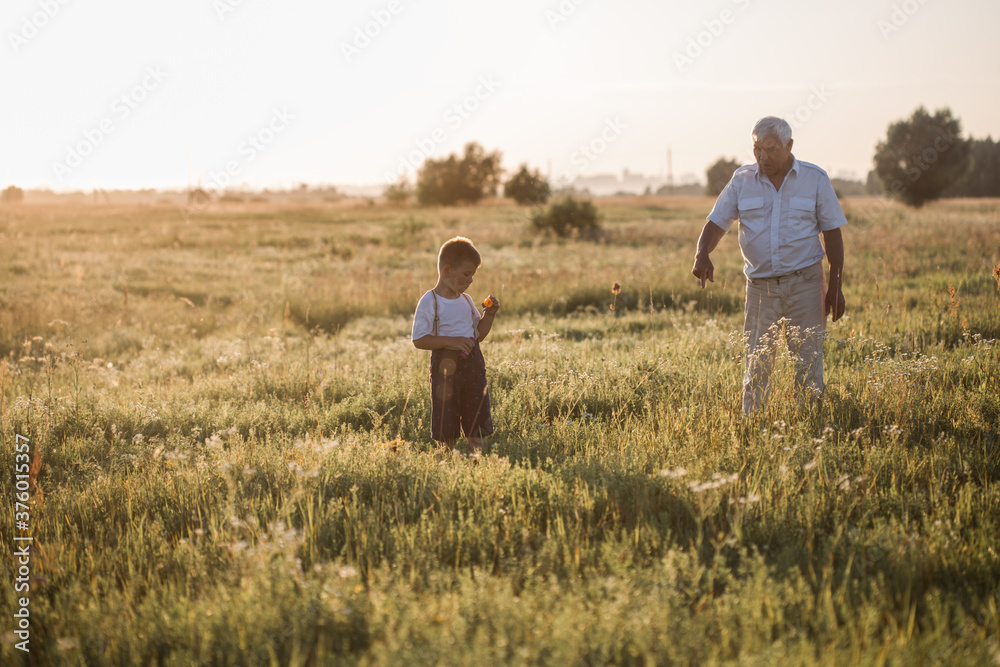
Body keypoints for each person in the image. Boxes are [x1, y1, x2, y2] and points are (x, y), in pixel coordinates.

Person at [692, 116, 847, 415]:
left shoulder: (815, 179)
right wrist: (702, 253)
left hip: (806, 285)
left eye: (771, 149)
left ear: (789, 146)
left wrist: (835, 286)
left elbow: (833, 233)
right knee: (757, 363)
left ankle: (811, 423)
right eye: (756, 149)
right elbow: (717, 220)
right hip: (760, 289)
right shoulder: (742, 180)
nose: (762, 156)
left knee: (808, 362)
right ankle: (753, 426)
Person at [412, 236, 500, 452]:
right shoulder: (430, 301)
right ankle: (447, 462)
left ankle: (477, 462)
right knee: (446, 421)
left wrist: (488, 316)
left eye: (473, 275)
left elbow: (477, 336)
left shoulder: (466, 300)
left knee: (477, 420)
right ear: (447, 270)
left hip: (474, 367)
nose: (470, 280)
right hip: (445, 370)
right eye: (466, 274)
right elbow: (419, 339)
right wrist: (452, 342)